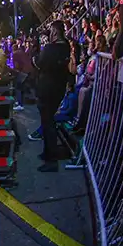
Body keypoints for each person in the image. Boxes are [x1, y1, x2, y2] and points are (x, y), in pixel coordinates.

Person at [33, 20, 71, 172]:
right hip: (58, 89)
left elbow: (39, 63)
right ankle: (47, 152)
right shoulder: (66, 47)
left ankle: (51, 160)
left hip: (47, 89)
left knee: (47, 123)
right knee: (49, 122)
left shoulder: (50, 48)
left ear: (55, 32)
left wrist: (35, 58)